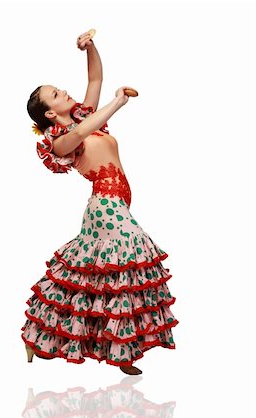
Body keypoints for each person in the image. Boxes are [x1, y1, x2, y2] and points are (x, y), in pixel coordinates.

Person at [21, 30, 179, 376]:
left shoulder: (83, 118)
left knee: (90, 275)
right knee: (129, 264)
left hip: (116, 202)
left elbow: (95, 77)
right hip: (105, 206)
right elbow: (79, 134)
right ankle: (121, 351)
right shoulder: (62, 139)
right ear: (50, 114)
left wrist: (90, 47)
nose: (64, 91)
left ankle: (41, 337)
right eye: (55, 94)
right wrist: (116, 103)